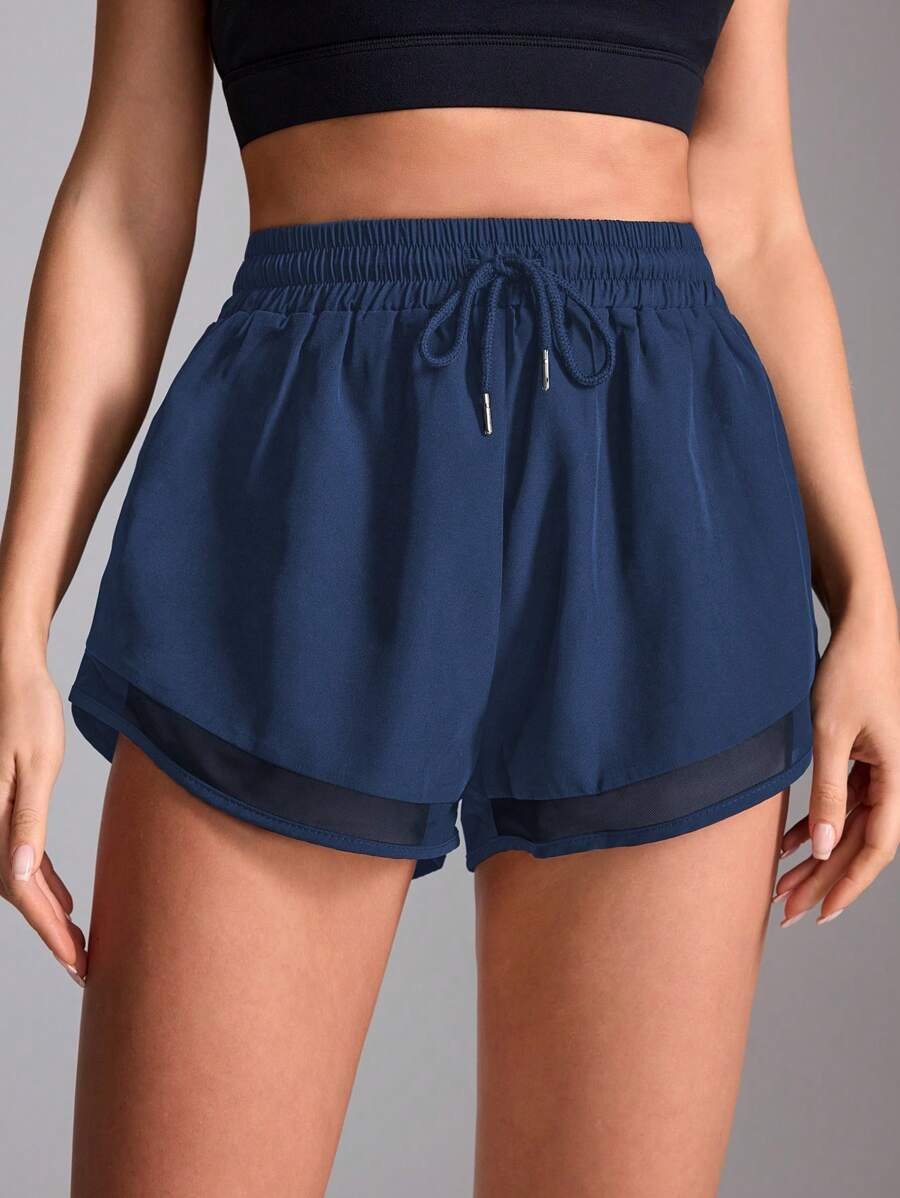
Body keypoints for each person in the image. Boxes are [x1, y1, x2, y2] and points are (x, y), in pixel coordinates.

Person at [1, 1, 898, 1194]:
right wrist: (16, 624)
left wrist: (867, 598)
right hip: (313, 463)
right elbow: (126, 195)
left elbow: (755, 217)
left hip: (660, 481)